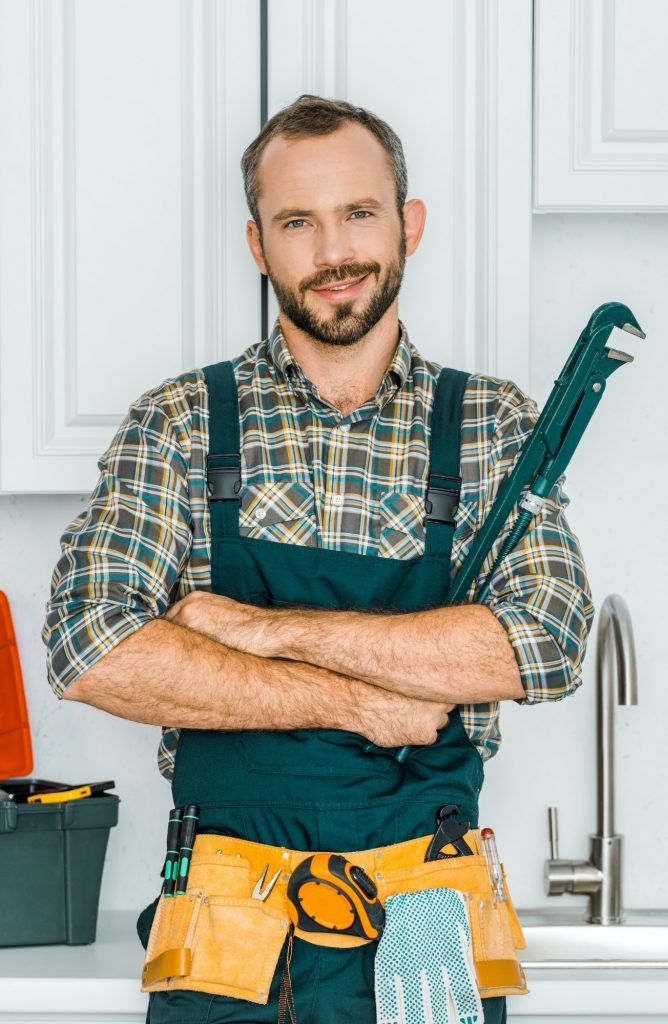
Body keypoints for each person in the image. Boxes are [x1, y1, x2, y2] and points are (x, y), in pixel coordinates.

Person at [44, 95, 593, 1024]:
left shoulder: (494, 424)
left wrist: (259, 629)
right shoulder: (180, 421)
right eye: (298, 221)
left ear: (409, 225)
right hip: (228, 925)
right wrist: (359, 701)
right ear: (258, 245)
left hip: (428, 915)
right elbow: (88, 646)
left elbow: (539, 646)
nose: (332, 250)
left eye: (359, 213)